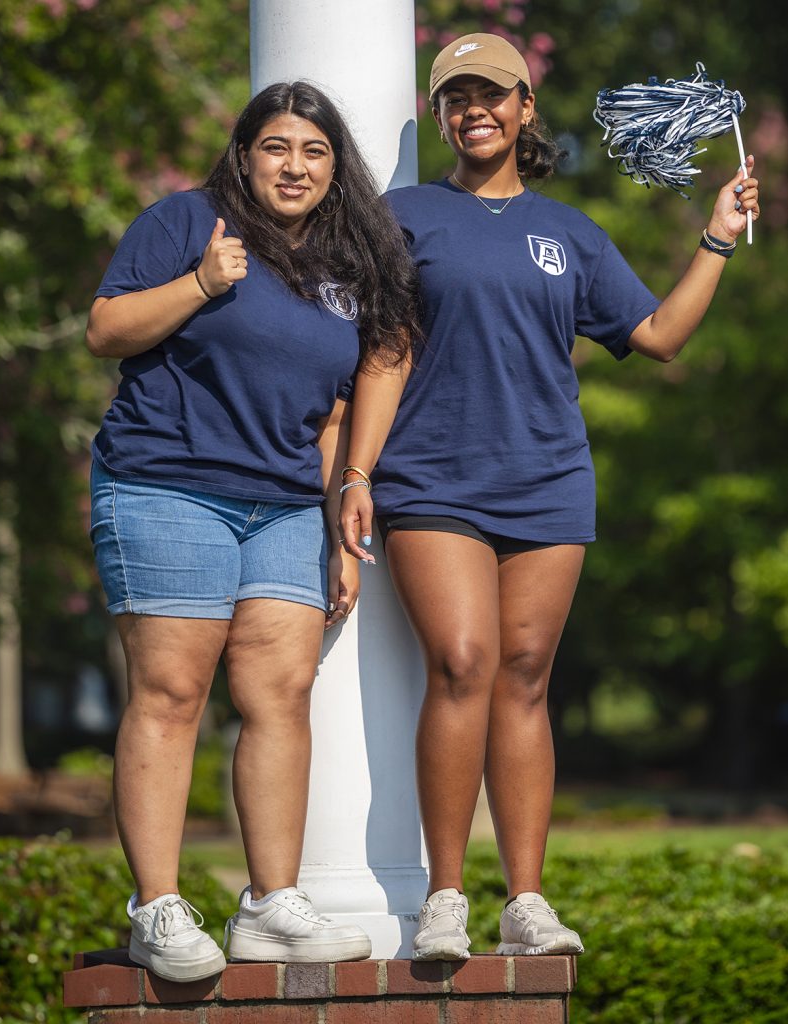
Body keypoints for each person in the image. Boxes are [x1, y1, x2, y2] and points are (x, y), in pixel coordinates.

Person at [339, 33, 760, 961]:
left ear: (525, 109)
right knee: (463, 661)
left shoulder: (570, 231)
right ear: (442, 115)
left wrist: (715, 237)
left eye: (492, 94)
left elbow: (655, 336)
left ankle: (524, 902)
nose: (473, 110)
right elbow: (384, 351)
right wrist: (356, 475)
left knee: (524, 678)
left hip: (547, 479)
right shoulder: (402, 215)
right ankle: (444, 897)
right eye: (456, 97)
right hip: (434, 479)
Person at [87, 81, 417, 980]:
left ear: (333, 167)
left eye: (313, 152)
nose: (295, 166)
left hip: (279, 505)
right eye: (276, 147)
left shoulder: (346, 269)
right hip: (167, 485)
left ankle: (271, 905)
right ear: (244, 155)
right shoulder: (187, 222)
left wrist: (339, 514)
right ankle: (156, 909)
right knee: (171, 693)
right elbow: (106, 329)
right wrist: (200, 283)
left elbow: (327, 413)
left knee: (279, 697)